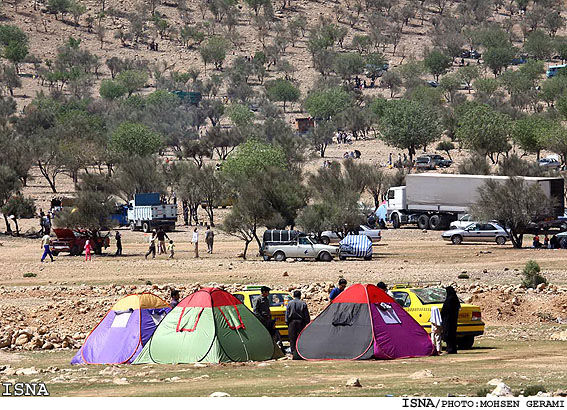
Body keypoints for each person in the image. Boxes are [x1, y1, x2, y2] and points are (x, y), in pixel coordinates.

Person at [285, 290, 310, 359]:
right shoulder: (303, 303)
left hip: (292, 322)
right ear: (300, 296)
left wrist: (287, 322)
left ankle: (293, 353)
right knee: (300, 337)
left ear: (293, 295)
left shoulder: (290, 303)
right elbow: (306, 314)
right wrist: (307, 322)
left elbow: (287, 313)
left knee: (292, 338)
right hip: (301, 322)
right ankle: (300, 352)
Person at [441, 286, 460, 354]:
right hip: (453, 320)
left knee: (448, 334)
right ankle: (452, 349)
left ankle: (450, 349)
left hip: (448, 321)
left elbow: (445, 310)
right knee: (452, 334)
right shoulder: (455, 299)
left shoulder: (449, 300)